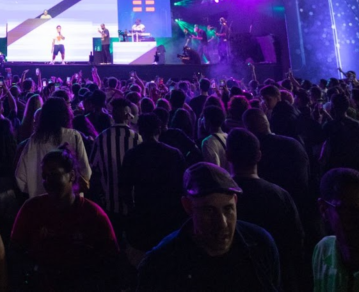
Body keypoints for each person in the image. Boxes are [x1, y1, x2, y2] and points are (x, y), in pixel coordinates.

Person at [136, 163, 281, 291]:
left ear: (236, 202)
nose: (222, 223)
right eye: (209, 210)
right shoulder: (161, 265)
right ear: (187, 206)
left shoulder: (260, 244)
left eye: (228, 209)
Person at [11, 148, 119, 291]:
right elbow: (14, 251)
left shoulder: (93, 215)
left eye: (54, 174)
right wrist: (34, 269)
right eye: (44, 176)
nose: (48, 181)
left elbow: (112, 261)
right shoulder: (32, 209)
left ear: (72, 175)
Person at [227, 128, 305, 292]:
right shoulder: (279, 195)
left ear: (227, 156)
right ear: (259, 156)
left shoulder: (223, 198)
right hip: (274, 278)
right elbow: (296, 241)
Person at [120, 113, 187, 254]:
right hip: (170, 215)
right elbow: (183, 186)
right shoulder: (174, 154)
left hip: (144, 214)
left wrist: (132, 211)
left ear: (140, 131)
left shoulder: (132, 155)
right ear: (159, 130)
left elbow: (124, 188)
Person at [14, 97, 91, 198]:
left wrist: (36, 189)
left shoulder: (35, 139)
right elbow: (86, 172)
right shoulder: (74, 136)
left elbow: (20, 177)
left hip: (41, 203)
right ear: (65, 115)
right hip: (70, 203)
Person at [89, 98, 140, 227]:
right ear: (128, 115)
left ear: (112, 115)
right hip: (132, 201)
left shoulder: (101, 138)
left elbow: (92, 168)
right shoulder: (136, 137)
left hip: (109, 202)